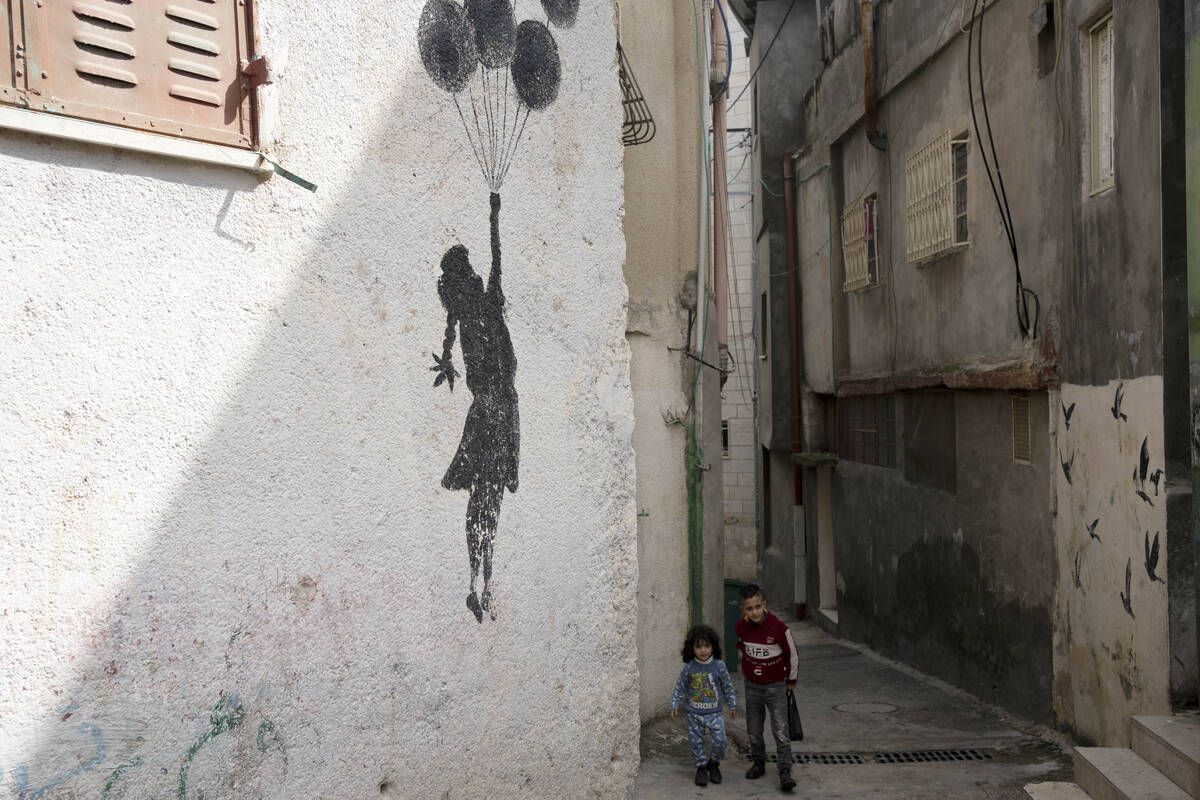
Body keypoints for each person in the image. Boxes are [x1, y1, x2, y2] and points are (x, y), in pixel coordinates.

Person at [430, 192, 519, 623]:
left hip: (486, 411)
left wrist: (446, 363)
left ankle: (476, 581)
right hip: (499, 411)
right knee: (490, 499)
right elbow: (497, 256)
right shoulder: (487, 302)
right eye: (472, 271)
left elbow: (448, 344)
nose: (480, 274)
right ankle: (482, 582)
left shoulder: (463, 314)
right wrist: (494, 216)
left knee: (480, 500)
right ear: (470, 279)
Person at [735, 583, 799, 792]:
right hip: (752, 687)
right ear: (743, 610)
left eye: (757, 607)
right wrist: (751, 671)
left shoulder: (779, 628)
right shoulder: (740, 628)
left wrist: (791, 680)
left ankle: (785, 771)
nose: (754, 612)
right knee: (754, 730)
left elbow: (792, 654)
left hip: (775, 687)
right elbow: (743, 648)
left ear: (764, 605)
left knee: (780, 730)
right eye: (749, 608)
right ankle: (759, 762)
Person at [670, 625, 738, 787]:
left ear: (713, 646)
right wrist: (674, 704)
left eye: (707, 646)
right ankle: (701, 767)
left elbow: (728, 686)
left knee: (721, 741)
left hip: (714, 713)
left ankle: (713, 764)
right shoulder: (689, 668)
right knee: (696, 743)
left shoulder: (719, 666)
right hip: (693, 714)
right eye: (698, 646)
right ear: (691, 648)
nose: (703, 650)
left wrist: (732, 704)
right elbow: (680, 687)